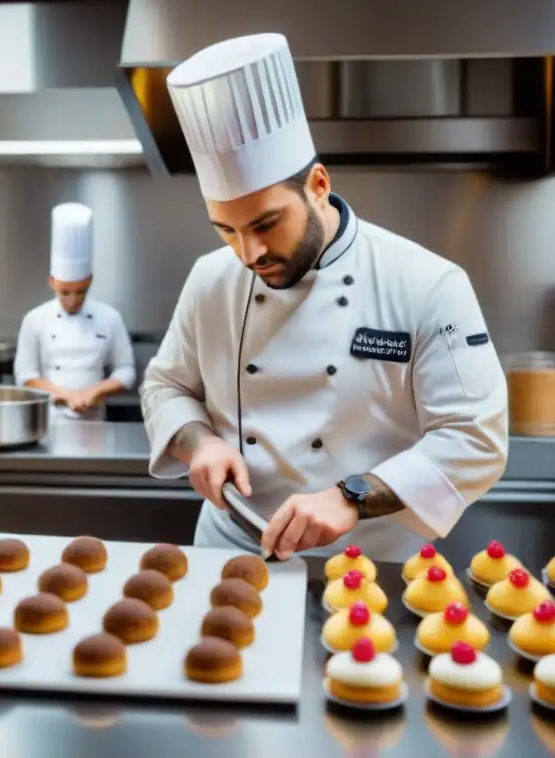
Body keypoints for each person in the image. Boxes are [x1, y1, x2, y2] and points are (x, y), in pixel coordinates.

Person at [140, 33, 508, 563]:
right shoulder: (210, 279)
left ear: (317, 184)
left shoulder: (427, 283)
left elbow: (476, 438)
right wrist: (200, 442)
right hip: (227, 554)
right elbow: (164, 386)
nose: (249, 252)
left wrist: (351, 496)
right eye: (226, 229)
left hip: (370, 567)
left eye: (266, 223)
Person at [14, 202, 136, 421]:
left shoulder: (110, 317)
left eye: (81, 291)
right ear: (52, 281)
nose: (72, 301)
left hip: (95, 420)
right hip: (49, 419)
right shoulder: (34, 319)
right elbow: (26, 374)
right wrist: (68, 395)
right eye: (65, 292)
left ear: (90, 280)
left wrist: (93, 392)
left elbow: (126, 371)